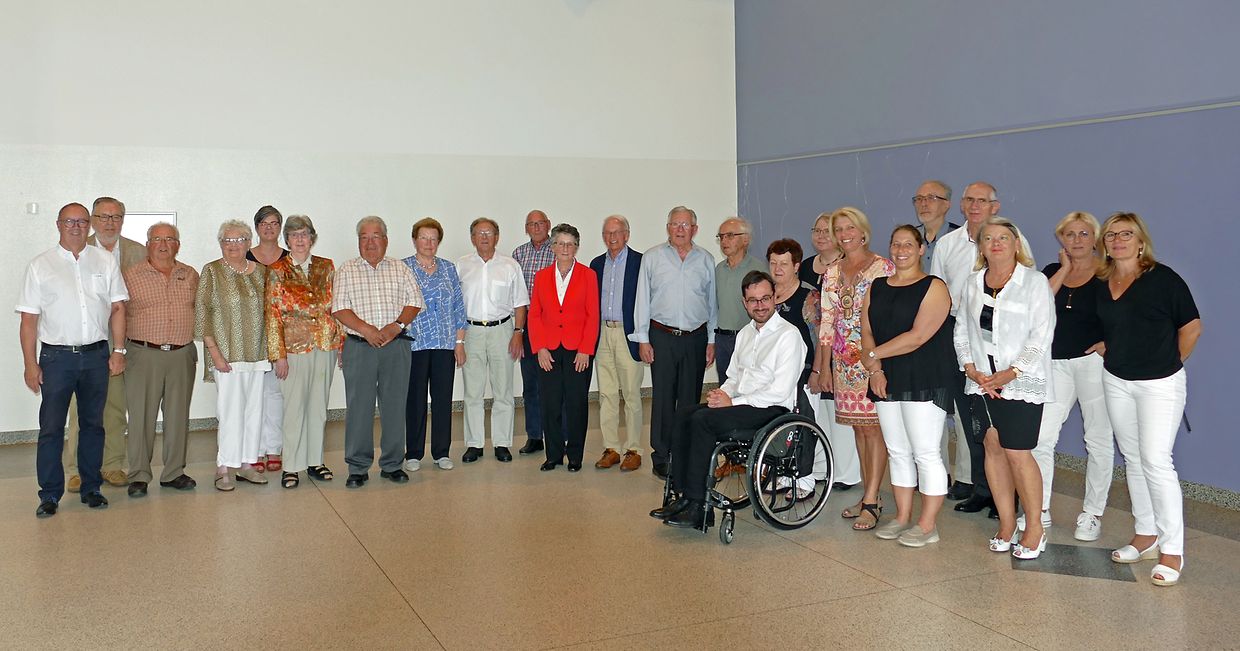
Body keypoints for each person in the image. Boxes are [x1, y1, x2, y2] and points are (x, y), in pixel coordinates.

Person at [653, 271, 806, 529]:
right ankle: (682, 496)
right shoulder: (745, 334)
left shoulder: (788, 336)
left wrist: (732, 403)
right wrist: (721, 394)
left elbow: (780, 391)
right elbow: (734, 377)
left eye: (765, 298)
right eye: (753, 300)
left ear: (775, 298)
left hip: (771, 410)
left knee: (703, 421)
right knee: (685, 414)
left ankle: (698, 506)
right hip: (742, 405)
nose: (760, 305)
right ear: (745, 303)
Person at [1097, 212, 1200, 587]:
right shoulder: (1104, 281)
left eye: (1126, 234)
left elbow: (1192, 327)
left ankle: (1172, 550)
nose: (1118, 240)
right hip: (1117, 380)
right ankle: (1146, 534)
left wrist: (1168, 363)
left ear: (1141, 241)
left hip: (1160, 384)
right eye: (1111, 235)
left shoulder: (1164, 279)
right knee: (1134, 458)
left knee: (1156, 460)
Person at [18, 203, 128, 517]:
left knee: (94, 425)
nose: (76, 226)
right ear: (59, 224)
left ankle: (92, 488)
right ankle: (50, 494)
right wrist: (30, 363)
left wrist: (118, 351)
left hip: (96, 356)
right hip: (56, 359)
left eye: (82, 221)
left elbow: (118, 308)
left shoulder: (105, 261)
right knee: (51, 428)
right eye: (70, 221)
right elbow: (29, 320)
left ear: (89, 224)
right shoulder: (41, 265)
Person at [954, 216, 1054, 560]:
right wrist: (971, 368)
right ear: (981, 247)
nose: (995, 243)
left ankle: (1035, 528)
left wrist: (1012, 372)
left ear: (1016, 245)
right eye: (988, 238)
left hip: (1019, 380)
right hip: (981, 380)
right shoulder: (972, 282)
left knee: (1017, 452)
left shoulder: (1034, 282)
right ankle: (1007, 524)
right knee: (992, 447)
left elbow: (1042, 334)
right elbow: (962, 329)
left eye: (1003, 238)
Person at [860, 226, 955, 547]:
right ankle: (902, 517)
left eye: (908, 245)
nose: (901, 250)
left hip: (924, 377)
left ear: (921, 249)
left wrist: (874, 356)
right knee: (898, 451)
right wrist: (875, 369)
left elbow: (918, 336)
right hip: (886, 376)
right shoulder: (876, 286)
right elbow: (866, 330)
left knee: (925, 452)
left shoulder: (934, 287)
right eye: (895, 244)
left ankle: (928, 525)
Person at [1032, 211, 1113, 541]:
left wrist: (1110, 343)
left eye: (1083, 234)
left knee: (1098, 440)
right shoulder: (1051, 272)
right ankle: (1039, 509)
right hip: (1055, 364)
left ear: (1095, 238)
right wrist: (1064, 269)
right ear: (1060, 239)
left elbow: (1128, 313)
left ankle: (1092, 514)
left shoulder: (1108, 273)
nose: (1076, 240)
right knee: (1041, 438)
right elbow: (1037, 306)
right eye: (1069, 234)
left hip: (1094, 364)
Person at [332, 216, 424, 488]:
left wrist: (396, 327)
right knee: (359, 408)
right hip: (360, 347)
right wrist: (367, 330)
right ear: (358, 241)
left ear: (386, 240)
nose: (370, 242)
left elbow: (415, 302)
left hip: (396, 346)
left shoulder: (399, 268)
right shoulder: (347, 269)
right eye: (364, 237)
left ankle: (393, 464)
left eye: (375, 237)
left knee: (394, 406)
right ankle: (357, 467)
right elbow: (339, 308)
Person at [818, 206, 894, 531]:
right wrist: (824, 368)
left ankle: (872, 500)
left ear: (863, 231)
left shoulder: (882, 268)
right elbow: (827, 322)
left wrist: (878, 361)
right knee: (859, 429)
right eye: (839, 230)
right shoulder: (832, 272)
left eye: (850, 228)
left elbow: (889, 317)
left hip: (872, 360)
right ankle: (868, 495)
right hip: (843, 364)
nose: (844, 234)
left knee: (874, 429)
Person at [930, 181, 1003, 517]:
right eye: (970, 200)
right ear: (961, 205)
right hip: (957, 331)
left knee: (998, 418)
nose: (975, 206)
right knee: (969, 413)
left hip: (997, 335)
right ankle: (981, 488)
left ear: (994, 207)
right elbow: (937, 293)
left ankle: (1005, 493)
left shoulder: (1009, 238)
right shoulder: (948, 244)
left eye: (982, 201)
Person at [631, 206, 717, 480]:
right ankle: (661, 455)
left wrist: (711, 340)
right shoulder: (652, 257)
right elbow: (642, 300)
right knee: (663, 399)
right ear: (667, 227)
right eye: (675, 224)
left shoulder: (706, 259)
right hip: (662, 336)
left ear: (695, 229)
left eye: (685, 225)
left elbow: (712, 303)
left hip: (695, 338)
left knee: (690, 399)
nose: (680, 229)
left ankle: (685, 453)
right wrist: (643, 339)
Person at [64, 196, 143, 492]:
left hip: (123, 341)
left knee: (115, 407)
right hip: (86, 341)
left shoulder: (139, 252)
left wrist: (121, 347)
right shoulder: (77, 250)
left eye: (116, 217)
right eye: (103, 217)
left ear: (123, 220)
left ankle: (112, 464)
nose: (110, 223)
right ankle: (76, 469)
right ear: (93, 221)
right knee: (80, 409)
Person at [122, 222, 199, 497]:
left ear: (178, 245)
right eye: (157, 239)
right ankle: (139, 475)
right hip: (143, 354)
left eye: (169, 239)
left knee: (178, 416)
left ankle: (174, 472)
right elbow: (116, 314)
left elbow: (202, 311)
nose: (163, 244)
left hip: (181, 354)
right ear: (148, 244)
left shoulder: (190, 274)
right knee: (141, 417)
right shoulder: (130, 275)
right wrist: (117, 351)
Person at [266, 215, 342, 489]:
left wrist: (341, 343)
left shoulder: (326, 266)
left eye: (304, 234)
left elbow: (337, 306)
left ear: (312, 238)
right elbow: (272, 315)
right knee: (294, 409)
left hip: (325, 345)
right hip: (294, 349)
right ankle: (291, 466)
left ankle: (315, 461)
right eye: (294, 235)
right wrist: (278, 355)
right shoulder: (277, 270)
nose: (300, 239)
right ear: (287, 240)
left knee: (318, 407)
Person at [196, 220, 271, 491]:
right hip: (226, 354)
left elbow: (271, 312)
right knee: (230, 412)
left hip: (257, 353)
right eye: (227, 240)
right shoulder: (212, 271)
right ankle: (224, 467)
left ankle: (248, 464)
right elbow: (202, 312)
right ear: (220, 243)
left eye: (239, 240)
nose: (233, 245)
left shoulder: (262, 272)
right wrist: (214, 352)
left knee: (254, 411)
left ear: (249, 243)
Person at [910, 180, 969, 500]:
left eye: (931, 198)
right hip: (918, 333)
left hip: (953, 329)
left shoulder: (964, 239)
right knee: (928, 405)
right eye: (919, 198)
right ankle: (936, 472)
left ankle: (966, 477)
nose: (924, 203)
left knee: (960, 406)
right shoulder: (909, 239)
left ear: (948, 204)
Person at [457, 218, 529, 464]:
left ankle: (502, 443)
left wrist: (518, 332)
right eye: (479, 233)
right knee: (473, 391)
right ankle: (474, 444)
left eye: (489, 233)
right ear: (472, 238)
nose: (484, 237)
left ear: (497, 237)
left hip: (503, 331)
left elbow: (520, 303)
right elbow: (455, 304)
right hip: (471, 331)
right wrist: (458, 340)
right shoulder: (462, 265)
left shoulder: (510, 265)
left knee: (503, 390)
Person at [529, 224, 599, 472]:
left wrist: (586, 349)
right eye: (560, 243)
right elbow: (534, 315)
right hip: (548, 350)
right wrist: (539, 347)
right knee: (550, 404)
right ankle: (553, 455)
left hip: (577, 351)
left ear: (576, 247)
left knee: (576, 404)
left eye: (570, 244)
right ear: (553, 247)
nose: (565, 248)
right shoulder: (541, 276)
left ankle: (575, 456)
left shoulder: (588, 275)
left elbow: (593, 315)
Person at [801, 212, 860, 491]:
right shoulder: (805, 267)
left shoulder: (848, 265)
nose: (822, 235)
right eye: (817, 230)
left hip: (845, 348)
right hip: (816, 347)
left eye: (828, 230)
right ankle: (823, 466)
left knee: (842, 414)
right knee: (821, 411)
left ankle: (846, 473)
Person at [402, 218, 467, 473]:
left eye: (433, 238)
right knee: (415, 400)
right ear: (414, 240)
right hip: (414, 344)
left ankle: (441, 452)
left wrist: (459, 342)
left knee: (442, 399)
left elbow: (458, 307)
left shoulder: (448, 268)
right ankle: (413, 453)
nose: (429, 243)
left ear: (439, 241)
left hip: (444, 344)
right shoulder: (403, 268)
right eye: (423, 238)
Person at [590, 215, 645, 471]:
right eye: (607, 233)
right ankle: (611, 448)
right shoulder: (596, 264)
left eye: (616, 232)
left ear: (627, 234)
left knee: (632, 394)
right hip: (603, 333)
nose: (612, 237)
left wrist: (644, 337)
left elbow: (646, 302)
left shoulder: (640, 262)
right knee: (607, 394)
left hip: (628, 334)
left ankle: (633, 449)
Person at [247, 205, 287, 473]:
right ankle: (255, 449)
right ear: (257, 228)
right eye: (264, 223)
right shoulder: (245, 257)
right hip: (252, 335)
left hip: (281, 334)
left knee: (275, 393)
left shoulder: (289, 259)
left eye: (274, 223)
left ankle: (274, 448)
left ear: (280, 227)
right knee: (254, 395)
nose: (269, 228)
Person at [512, 209, 555, 456]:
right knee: (531, 385)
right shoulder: (519, 254)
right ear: (526, 228)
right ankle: (535, 436)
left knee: (555, 384)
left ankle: (559, 436)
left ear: (548, 225)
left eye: (540, 223)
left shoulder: (558, 249)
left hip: (553, 325)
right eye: (531, 224)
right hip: (527, 325)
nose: (536, 227)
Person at [713, 217, 766, 382]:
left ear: (746, 239)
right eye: (721, 236)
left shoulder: (758, 269)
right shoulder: (719, 269)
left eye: (730, 235)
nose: (724, 241)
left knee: (747, 386)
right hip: (722, 339)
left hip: (749, 338)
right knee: (725, 387)